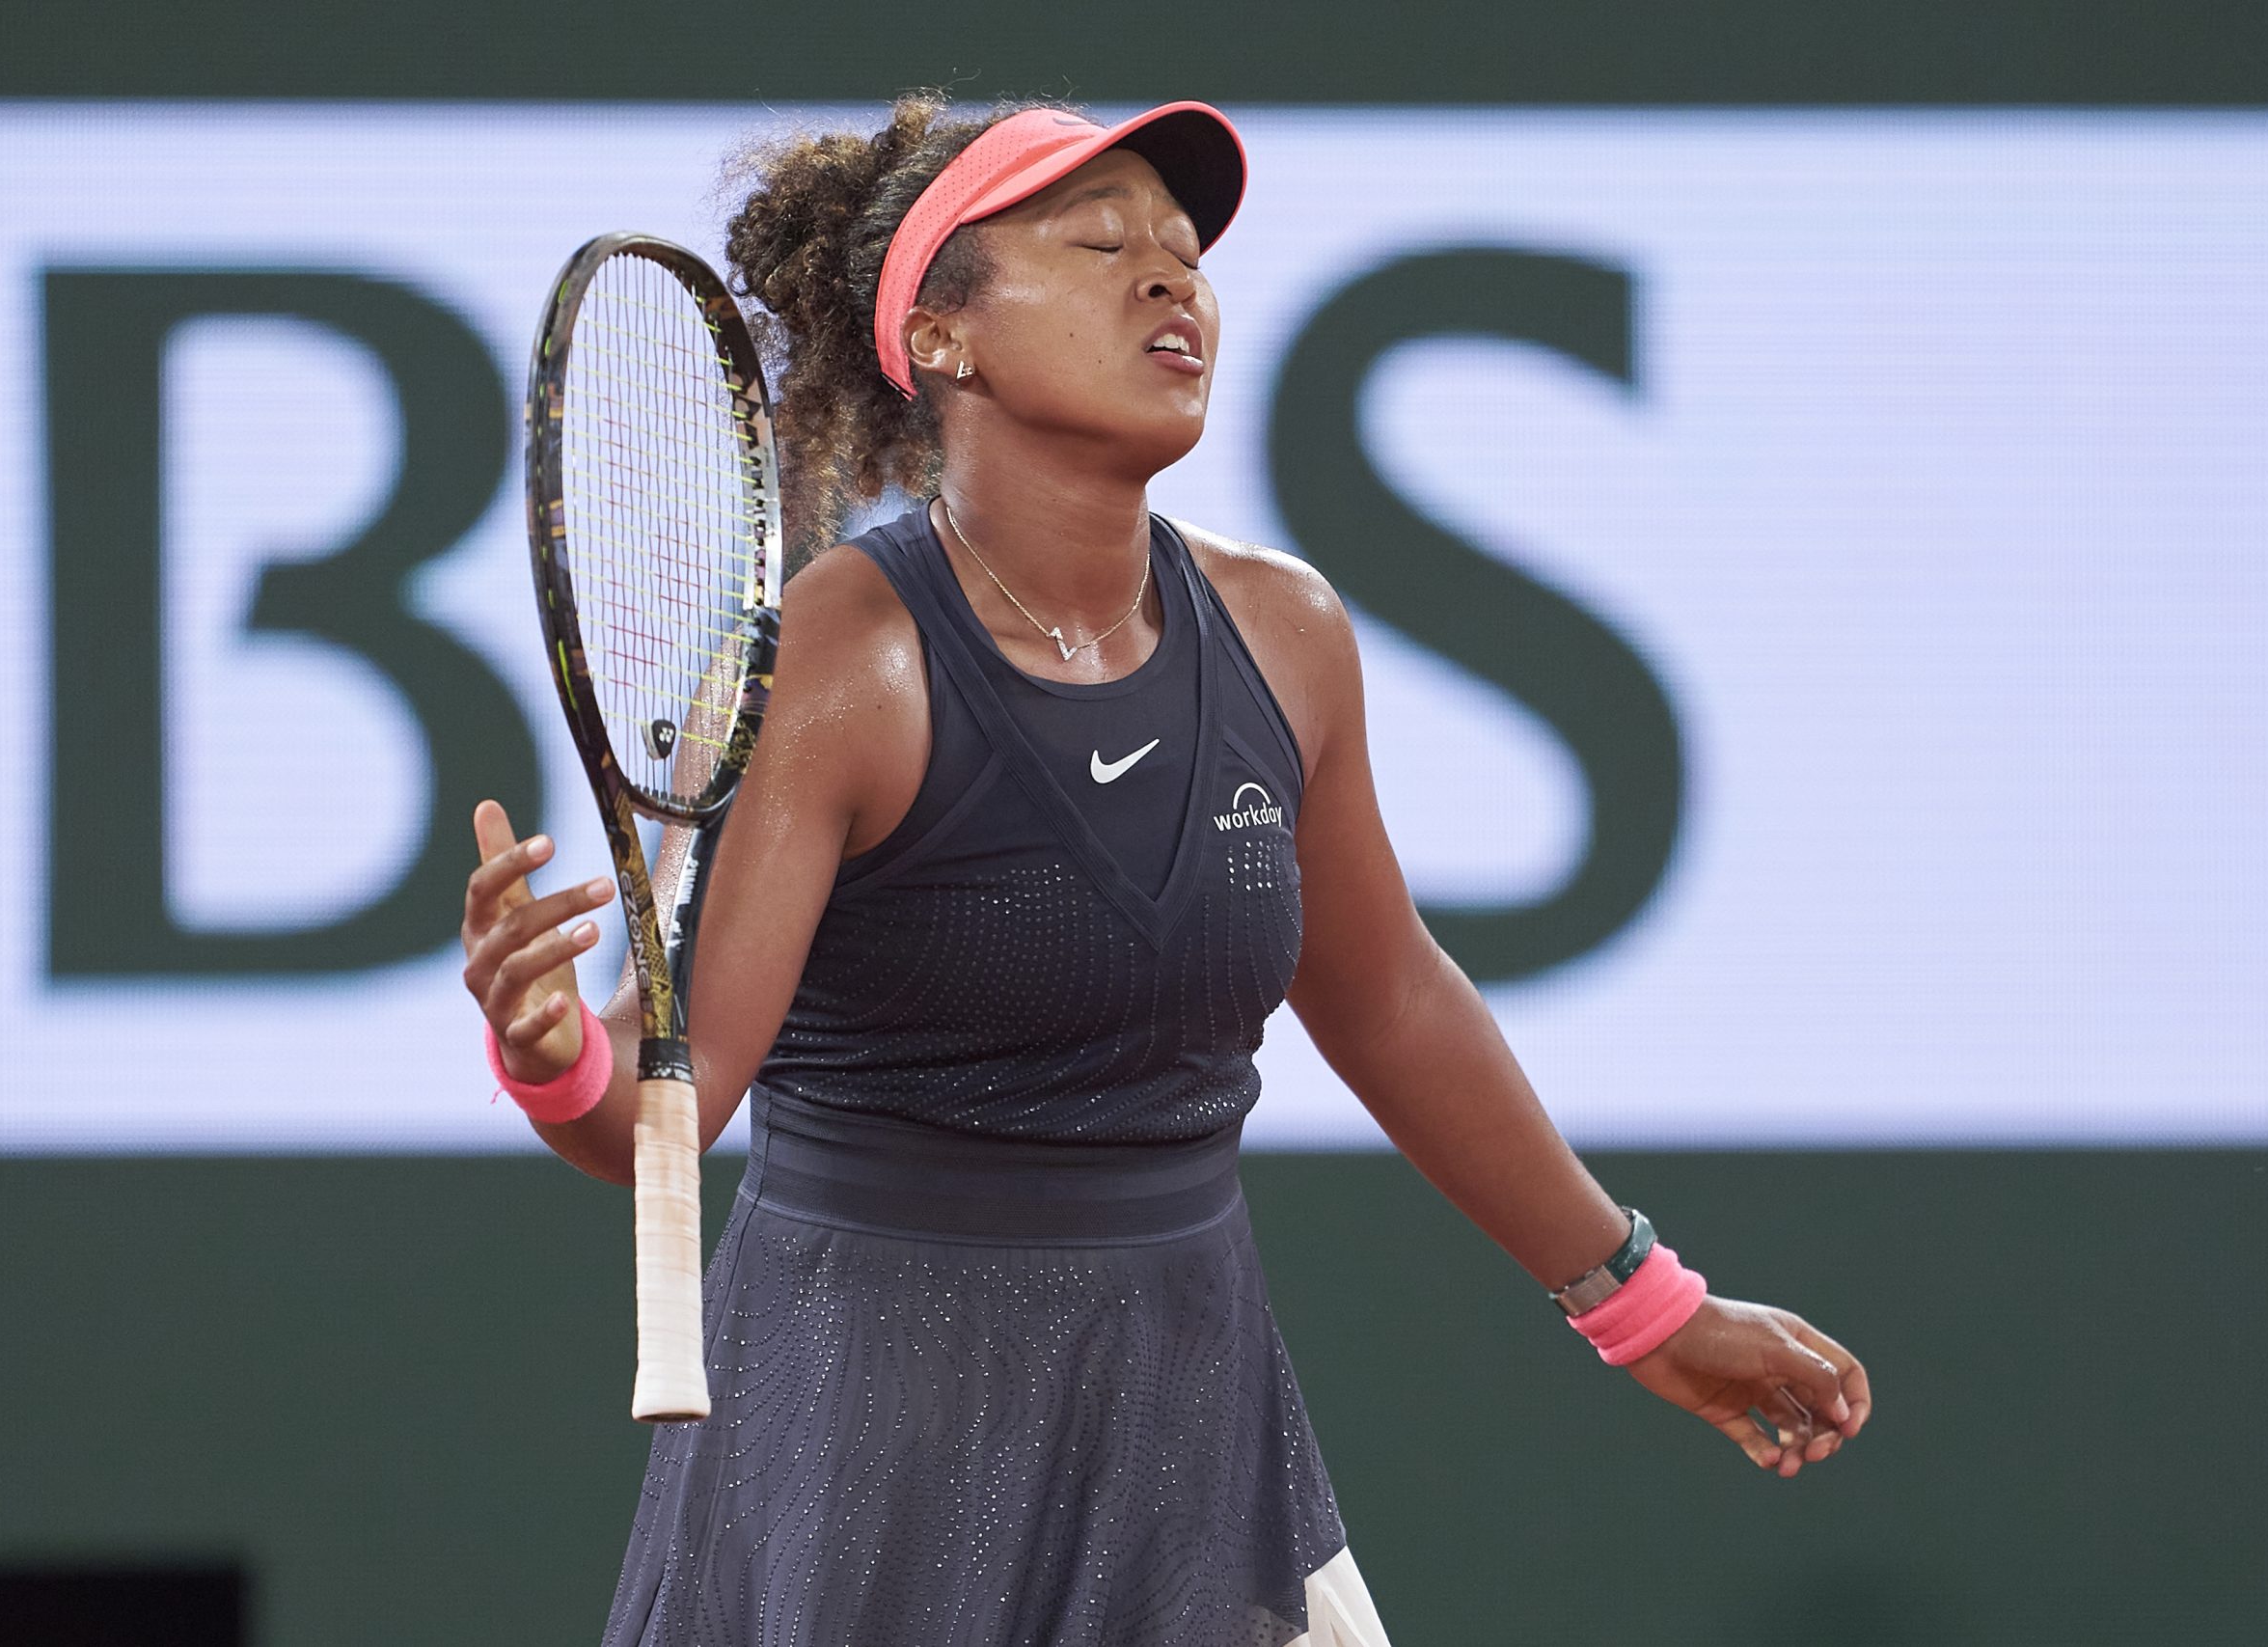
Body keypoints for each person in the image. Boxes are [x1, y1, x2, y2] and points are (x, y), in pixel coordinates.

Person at [460, 94, 1872, 1647]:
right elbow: (673, 1105)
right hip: (870, 1434)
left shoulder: (1288, 634)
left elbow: (1392, 995)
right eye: (1099, 243)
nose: (1170, 281)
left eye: (1184, 253)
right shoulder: (845, 665)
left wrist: (1643, 1306)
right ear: (943, 339)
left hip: (1188, 1411)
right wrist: (554, 1060)